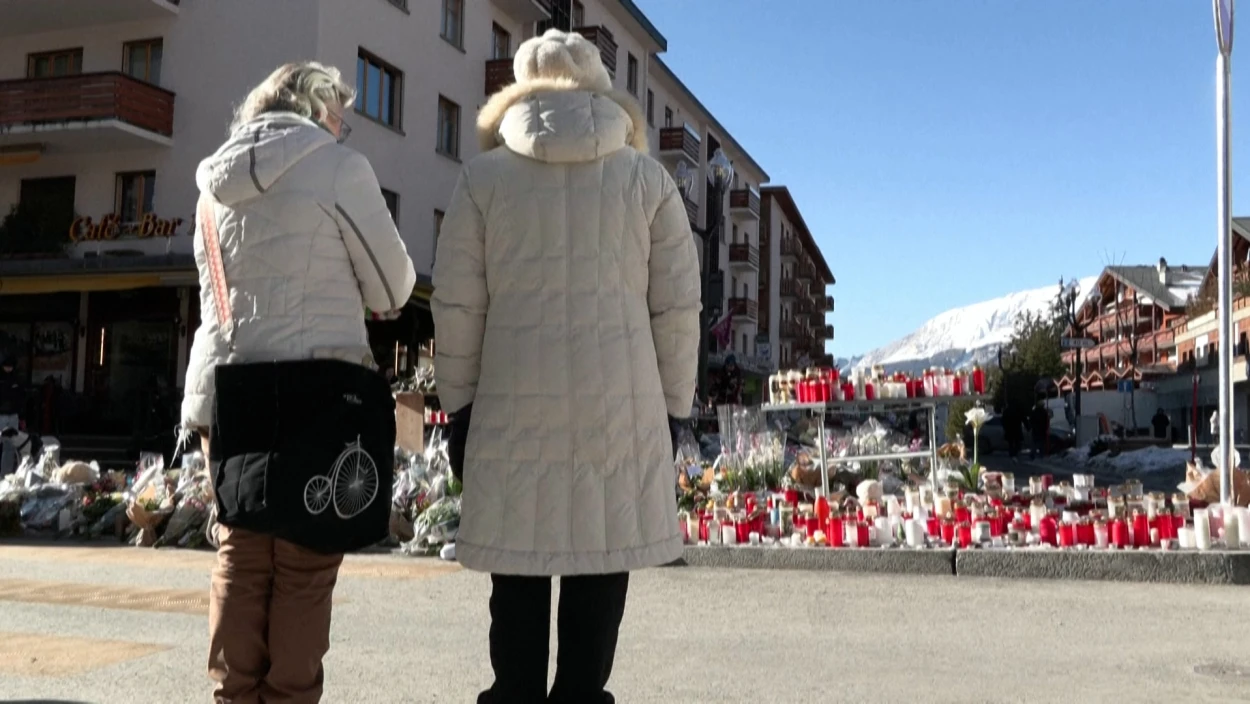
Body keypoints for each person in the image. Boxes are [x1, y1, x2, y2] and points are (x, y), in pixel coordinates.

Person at [432, 30, 701, 704]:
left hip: (509, 406)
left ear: (520, 88)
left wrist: (459, 406)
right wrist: (672, 409)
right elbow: (677, 309)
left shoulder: (482, 180)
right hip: (621, 409)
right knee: (600, 563)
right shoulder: (648, 181)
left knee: (517, 567)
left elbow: (458, 306)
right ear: (600, 88)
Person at [183, 61, 416, 703]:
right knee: (304, 565)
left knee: (240, 557)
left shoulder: (212, 185)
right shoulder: (340, 168)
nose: (341, 126)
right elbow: (393, 286)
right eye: (339, 114)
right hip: (317, 391)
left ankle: (232, 697)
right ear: (317, 108)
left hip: (230, 393)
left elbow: (214, 299)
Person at [0, 358, 25, 432]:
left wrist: (21, 414)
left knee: (14, 435)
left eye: (10, 366)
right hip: (2, 413)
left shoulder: (16, 379)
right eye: (6, 366)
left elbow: (21, 396)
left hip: (14, 412)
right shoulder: (2, 378)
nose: (8, 368)